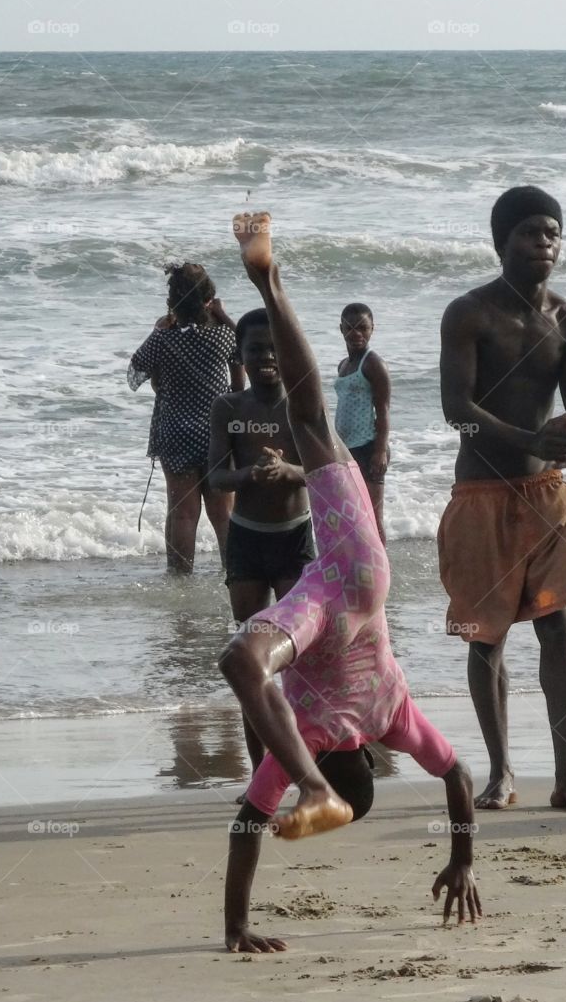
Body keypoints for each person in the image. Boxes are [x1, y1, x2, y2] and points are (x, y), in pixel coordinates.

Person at [218, 212, 481, 954]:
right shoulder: (301, 735)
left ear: (362, 756)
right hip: (338, 587)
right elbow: (245, 822)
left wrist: (463, 856)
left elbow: (459, 777)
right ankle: (270, 280)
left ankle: (271, 281)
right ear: (349, 757)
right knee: (310, 417)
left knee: (309, 422)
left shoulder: (392, 716)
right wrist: (236, 926)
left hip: (357, 578)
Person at [438, 185, 566, 814]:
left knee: (559, 628)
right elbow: (459, 410)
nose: (545, 243)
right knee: (487, 638)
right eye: (532, 232)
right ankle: (501, 772)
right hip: (482, 494)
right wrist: (530, 436)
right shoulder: (469, 314)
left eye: (553, 233)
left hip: (546, 496)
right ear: (502, 242)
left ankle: (565, 774)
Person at [208, 308, 314, 780]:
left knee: (302, 662)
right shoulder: (229, 408)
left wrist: (289, 472)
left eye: (274, 348)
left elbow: (327, 469)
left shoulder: (304, 403)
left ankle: (313, 762)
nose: (266, 357)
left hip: (295, 537)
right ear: (241, 356)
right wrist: (249, 473)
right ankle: (260, 773)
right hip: (247, 540)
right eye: (255, 349)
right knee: (253, 665)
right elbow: (214, 474)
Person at [128, 263, 244, 574]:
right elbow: (244, 369)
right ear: (210, 298)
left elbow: (136, 372)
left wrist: (161, 328)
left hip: (175, 431)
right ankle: (236, 575)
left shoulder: (163, 338)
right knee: (224, 513)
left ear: (173, 301)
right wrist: (225, 316)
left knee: (182, 513)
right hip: (218, 431)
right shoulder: (223, 336)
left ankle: (180, 579)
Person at [334, 303, 391, 544]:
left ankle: (383, 573)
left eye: (362, 328)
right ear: (341, 329)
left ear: (372, 329)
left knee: (372, 517)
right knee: (351, 514)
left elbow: (384, 410)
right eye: (350, 327)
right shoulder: (343, 365)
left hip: (369, 446)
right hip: (347, 448)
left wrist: (379, 451)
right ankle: (359, 568)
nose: (356, 333)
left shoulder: (373, 363)